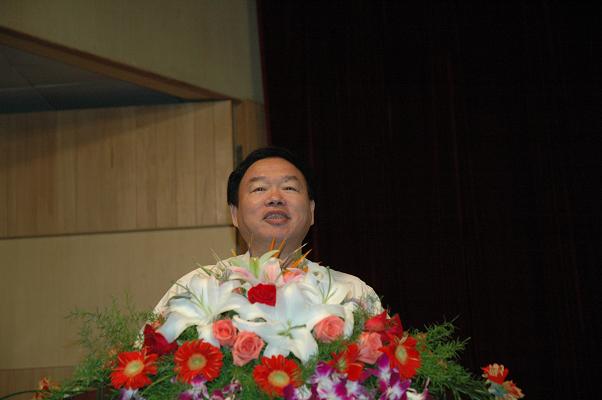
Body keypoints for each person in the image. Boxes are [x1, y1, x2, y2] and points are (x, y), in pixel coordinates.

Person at [153, 147, 382, 315]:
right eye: (259, 188)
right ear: (234, 214)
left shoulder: (352, 294)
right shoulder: (196, 288)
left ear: (312, 211)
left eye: (289, 187)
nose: (275, 198)